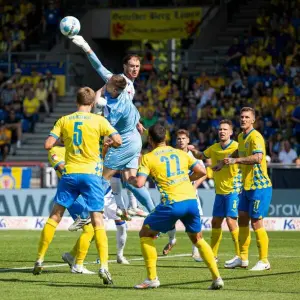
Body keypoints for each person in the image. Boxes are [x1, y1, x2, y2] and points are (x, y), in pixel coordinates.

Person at [32, 86, 122, 286]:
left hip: (70, 174)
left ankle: (39, 259)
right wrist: (109, 142)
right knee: (97, 220)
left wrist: (64, 138)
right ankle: (104, 267)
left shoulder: (64, 120)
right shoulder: (100, 120)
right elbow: (118, 140)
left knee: (55, 216)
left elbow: (48, 144)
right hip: (91, 175)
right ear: (92, 103)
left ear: (76, 102)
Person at [128, 123, 224, 290]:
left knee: (145, 233)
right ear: (166, 138)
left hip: (172, 203)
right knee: (198, 239)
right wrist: (187, 179)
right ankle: (217, 278)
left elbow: (140, 183)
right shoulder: (180, 153)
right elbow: (202, 171)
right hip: (191, 201)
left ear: (150, 140)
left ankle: (152, 278)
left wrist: (131, 179)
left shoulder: (148, 157)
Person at [70, 34, 154, 218]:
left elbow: (116, 115)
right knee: (130, 177)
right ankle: (142, 208)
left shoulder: (121, 89)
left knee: (104, 176)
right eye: (132, 66)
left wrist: (103, 120)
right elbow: (97, 64)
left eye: (137, 66)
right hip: (129, 135)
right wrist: (86, 47)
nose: (135, 69)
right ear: (124, 67)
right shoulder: (117, 81)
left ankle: (85, 214)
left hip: (124, 136)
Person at [48, 145, 129, 271]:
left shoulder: (75, 148)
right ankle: (78, 265)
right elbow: (63, 168)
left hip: (82, 191)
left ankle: (71, 256)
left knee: (92, 228)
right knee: (91, 227)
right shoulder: (55, 150)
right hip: (73, 192)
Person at [222, 107, 272, 271]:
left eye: (247, 117)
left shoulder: (255, 136)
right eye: (241, 116)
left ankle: (264, 260)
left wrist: (236, 161)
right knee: (242, 219)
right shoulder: (241, 137)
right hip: (247, 186)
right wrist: (226, 160)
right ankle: (242, 258)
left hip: (260, 186)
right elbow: (238, 150)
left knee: (256, 221)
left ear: (253, 120)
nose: (243, 119)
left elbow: (258, 157)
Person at [188, 120, 242, 265]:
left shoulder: (237, 146)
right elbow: (201, 155)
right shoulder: (214, 147)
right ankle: (213, 255)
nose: (222, 131)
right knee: (216, 221)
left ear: (231, 132)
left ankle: (240, 255)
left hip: (233, 190)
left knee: (231, 221)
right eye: (220, 129)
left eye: (225, 129)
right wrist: (193, 151)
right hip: (219, 192)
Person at [162, 129, 207, 262]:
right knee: (170, 218)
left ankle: (196, 251)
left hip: (190, 193)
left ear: (188, 140)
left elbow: (203, 173)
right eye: (179, 139)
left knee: (195, 220)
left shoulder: (194, 156)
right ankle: (172, 240)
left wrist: (193, 187)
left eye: (183, 138)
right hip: (173, 191)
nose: (181, 141)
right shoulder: (172, 155)